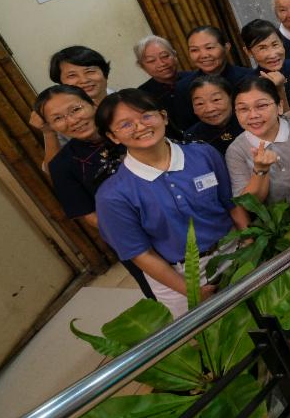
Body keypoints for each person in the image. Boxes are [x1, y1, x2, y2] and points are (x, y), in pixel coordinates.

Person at [95, 89, 249, 317]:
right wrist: (192, 291)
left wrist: (249, 243)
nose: (140, 126)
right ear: (113, 136)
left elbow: (231, 203)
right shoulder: (112, 195)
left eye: (146, 116)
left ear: (164, 117)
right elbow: (141, 254)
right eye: (125, 124)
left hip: (233, 251)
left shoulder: (203, 153)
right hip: (179, 277)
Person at [36, 84, 153, 299]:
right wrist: (132, 232)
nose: (72, 120)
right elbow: (89, 214)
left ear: (92, 104)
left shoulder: (133, 130)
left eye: (76, 109)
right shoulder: (61, 165)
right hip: (133, 238)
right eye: (58, 118)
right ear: (51, 126)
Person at [226, 76, 290, 205]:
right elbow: (247, 204)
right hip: (277, 218)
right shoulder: (236, 151)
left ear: (279, 106)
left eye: (261, 106)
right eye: (243, 109)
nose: (253, 115)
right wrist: (260, 170)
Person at [174, 26, 253, 125]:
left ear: (226, 47)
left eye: (209, 48)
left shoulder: (249, 78)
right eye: (194, 50)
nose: (203, 55)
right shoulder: (183, 87)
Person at [134, 35, 194, 134]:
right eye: (151, 61)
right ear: (142, 66)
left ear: (175, 55)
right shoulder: (141, 97)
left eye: (165, 56)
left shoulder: (196, 78)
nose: (162, 63)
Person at [240, 19, 290, 110]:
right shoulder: (248, 85)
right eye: (262, 48)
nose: (272, 55)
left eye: (275, 44)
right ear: (248, 52)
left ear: (282, 42)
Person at [183, 75, 243, 154]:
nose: (210, 109)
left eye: (216, 99)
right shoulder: (192, 137)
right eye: (200, 103)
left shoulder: (250, 121)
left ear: (231, 98)